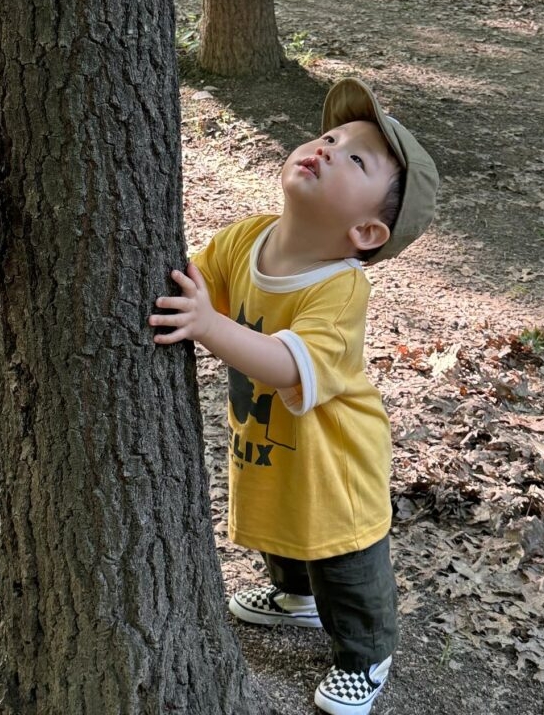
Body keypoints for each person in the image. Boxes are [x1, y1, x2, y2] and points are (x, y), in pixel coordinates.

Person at [150, 77, 439, 715]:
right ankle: (293, 597)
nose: (329, 148)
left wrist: (206, 325)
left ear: (366, 233)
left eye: (355, 159)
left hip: (337, 459)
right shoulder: (249, 238)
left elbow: (288, 364)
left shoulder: (339, 290)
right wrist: (192, 300)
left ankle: (367, 654)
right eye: (332, 137)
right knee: (278, 526)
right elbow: (201, 276)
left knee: (345, 559)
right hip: (273, 441)